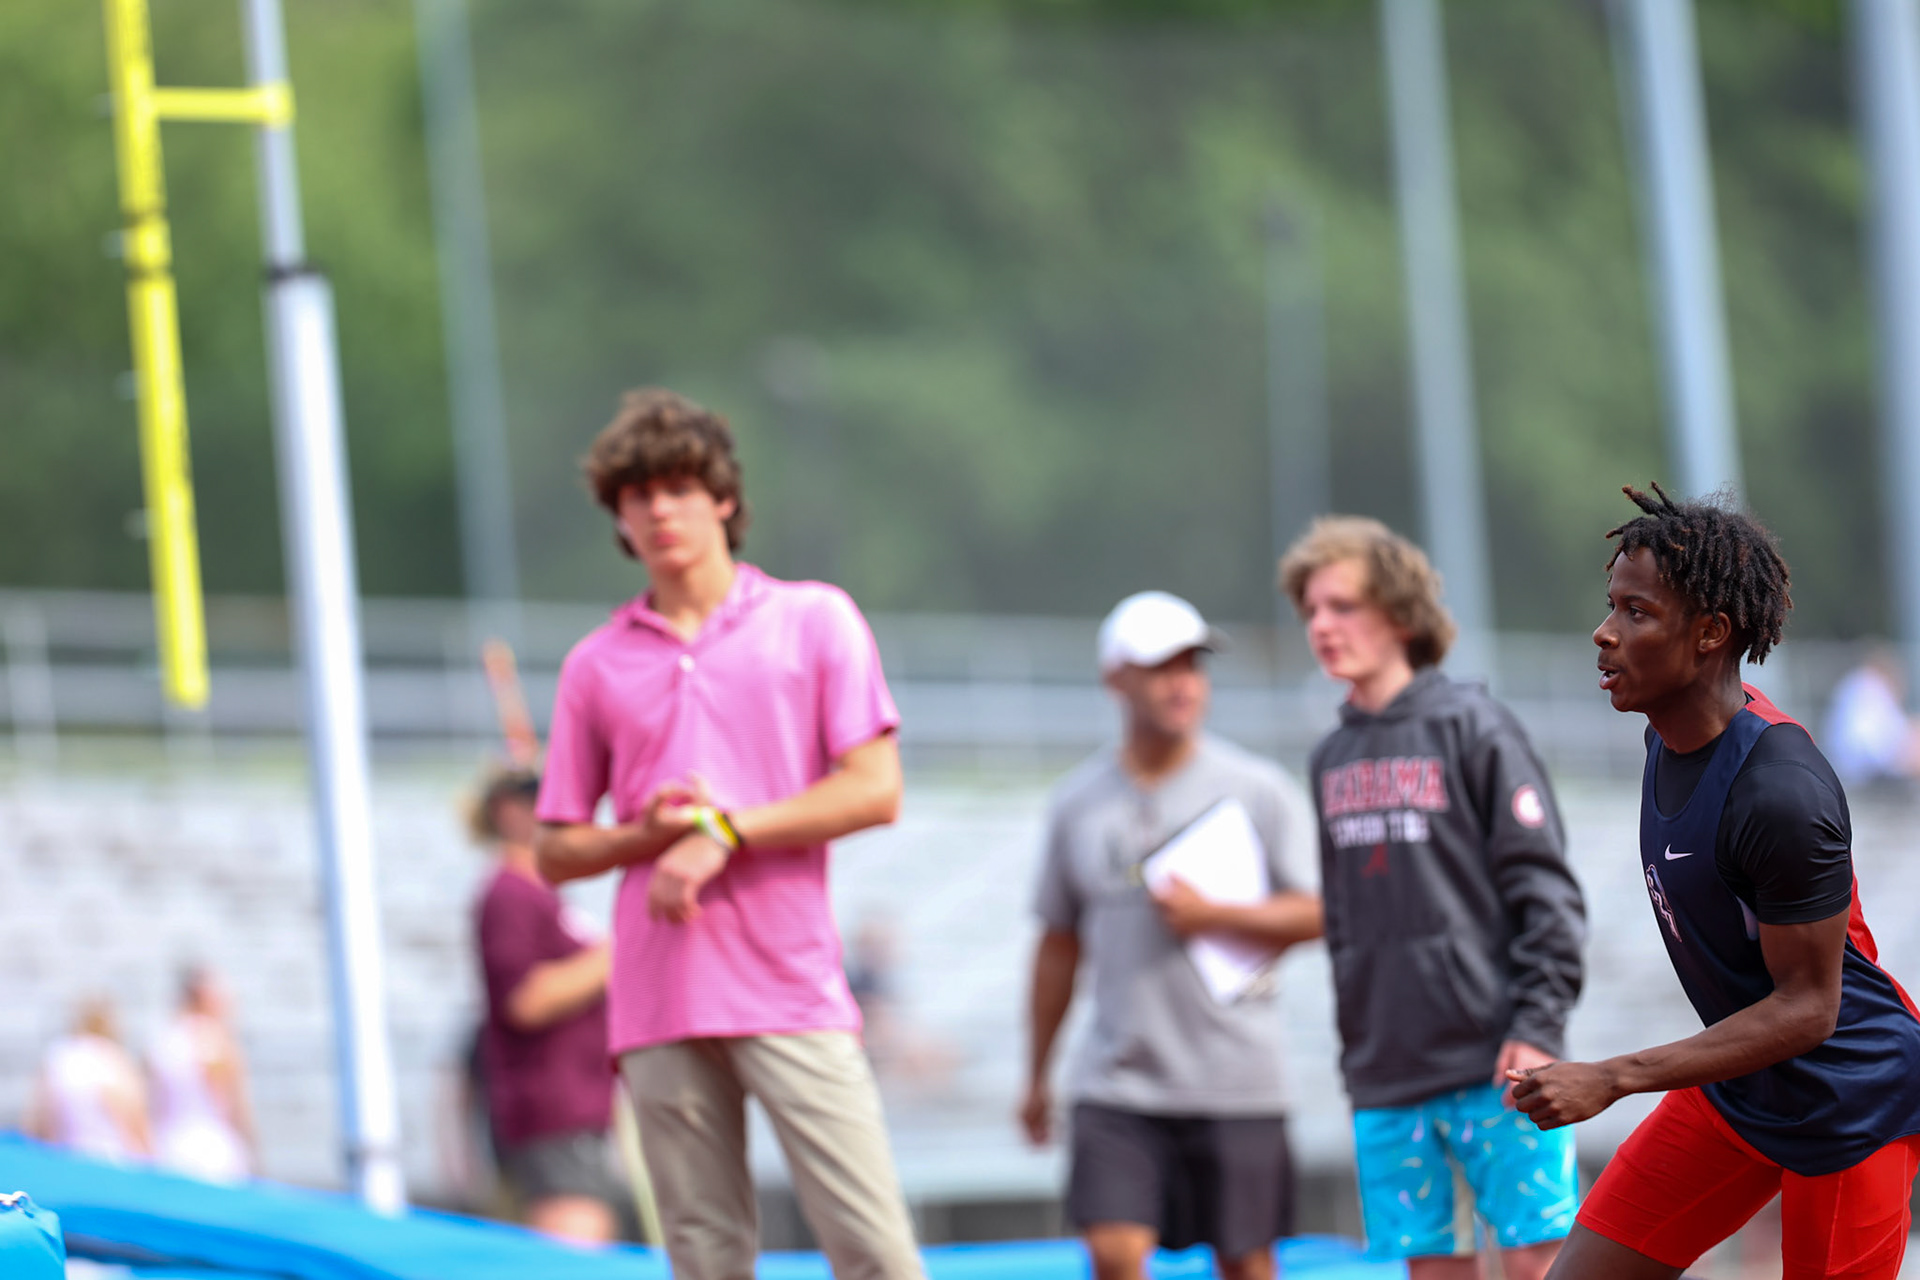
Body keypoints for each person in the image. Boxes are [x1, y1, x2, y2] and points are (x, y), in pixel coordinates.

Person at [534, 389, 924, 1280]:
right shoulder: (596, 663)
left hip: (787, 982)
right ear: (618, 519)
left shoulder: (815, 618)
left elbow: (875, 790)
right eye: (637, 495)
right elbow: (556, 850)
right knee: (705, 1260)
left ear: (723, 500)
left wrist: (724, 830)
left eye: (677, 487)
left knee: (873, 1251)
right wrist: (646, 835)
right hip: (658, 994)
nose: (660, 510)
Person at [1511, 484, 1920, 1280]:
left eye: (1636, 613)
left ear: (1710, 633)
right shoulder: (1666, 740)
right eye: (1611, 606)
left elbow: (1810, 1008)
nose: (1603, 634)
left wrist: (1614, 1076)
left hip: (1848, 1101)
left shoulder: (1781, 792)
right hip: (1740, 1089)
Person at [1278, 516, 1586, 1280]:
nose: (1322, 625)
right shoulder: (1329, 756)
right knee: (1428, 1270)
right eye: (1312, 609)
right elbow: (1343, 921)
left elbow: (1546, 887)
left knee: (1539, 1263)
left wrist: (1538, 1021)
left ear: (1401, 613)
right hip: (1387, 1070)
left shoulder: (1475, 727)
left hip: (1497, 1058)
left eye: (1342, 605)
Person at [1020, 590, 1323, 1280]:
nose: (1182, 682)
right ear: (1114, 677)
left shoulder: (1258, 789)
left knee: (1247, 1263)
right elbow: (1056, 945)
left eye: (1193, 664)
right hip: (1118, 1084)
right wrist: (1036, 1074)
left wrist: (1220, 916)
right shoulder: (1076, 803)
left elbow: (1322, 912)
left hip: (1237, 1080)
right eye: (1161, 666)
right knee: (1113, 1253)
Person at [470, 766, 626, 1245]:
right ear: (508, 813)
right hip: (552, 1103)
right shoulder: (509, 895)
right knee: (573, 1236)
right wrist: (615, 954)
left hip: (579, 1101)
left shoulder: (543, 895)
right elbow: (526, 999)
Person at [149, 966, 255, 1183]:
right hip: (215, 1149)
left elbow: (153, 1105)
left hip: (169, 1146)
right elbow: (237, 1106)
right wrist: (254, 1152)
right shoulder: (218, 1040)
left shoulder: (164, 1039)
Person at [30, 997, 150, 1164]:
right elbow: (134, 1118)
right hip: (112, 1158)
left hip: (67, 1155)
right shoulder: (112, 1057)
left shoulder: (57, 1057)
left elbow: (41, 1119)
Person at [1822, 647, 1920, 789]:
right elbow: (1870, 741)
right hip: (1863, 767)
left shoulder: (1858, 685)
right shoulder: (1871, 688)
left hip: (1855, 762)